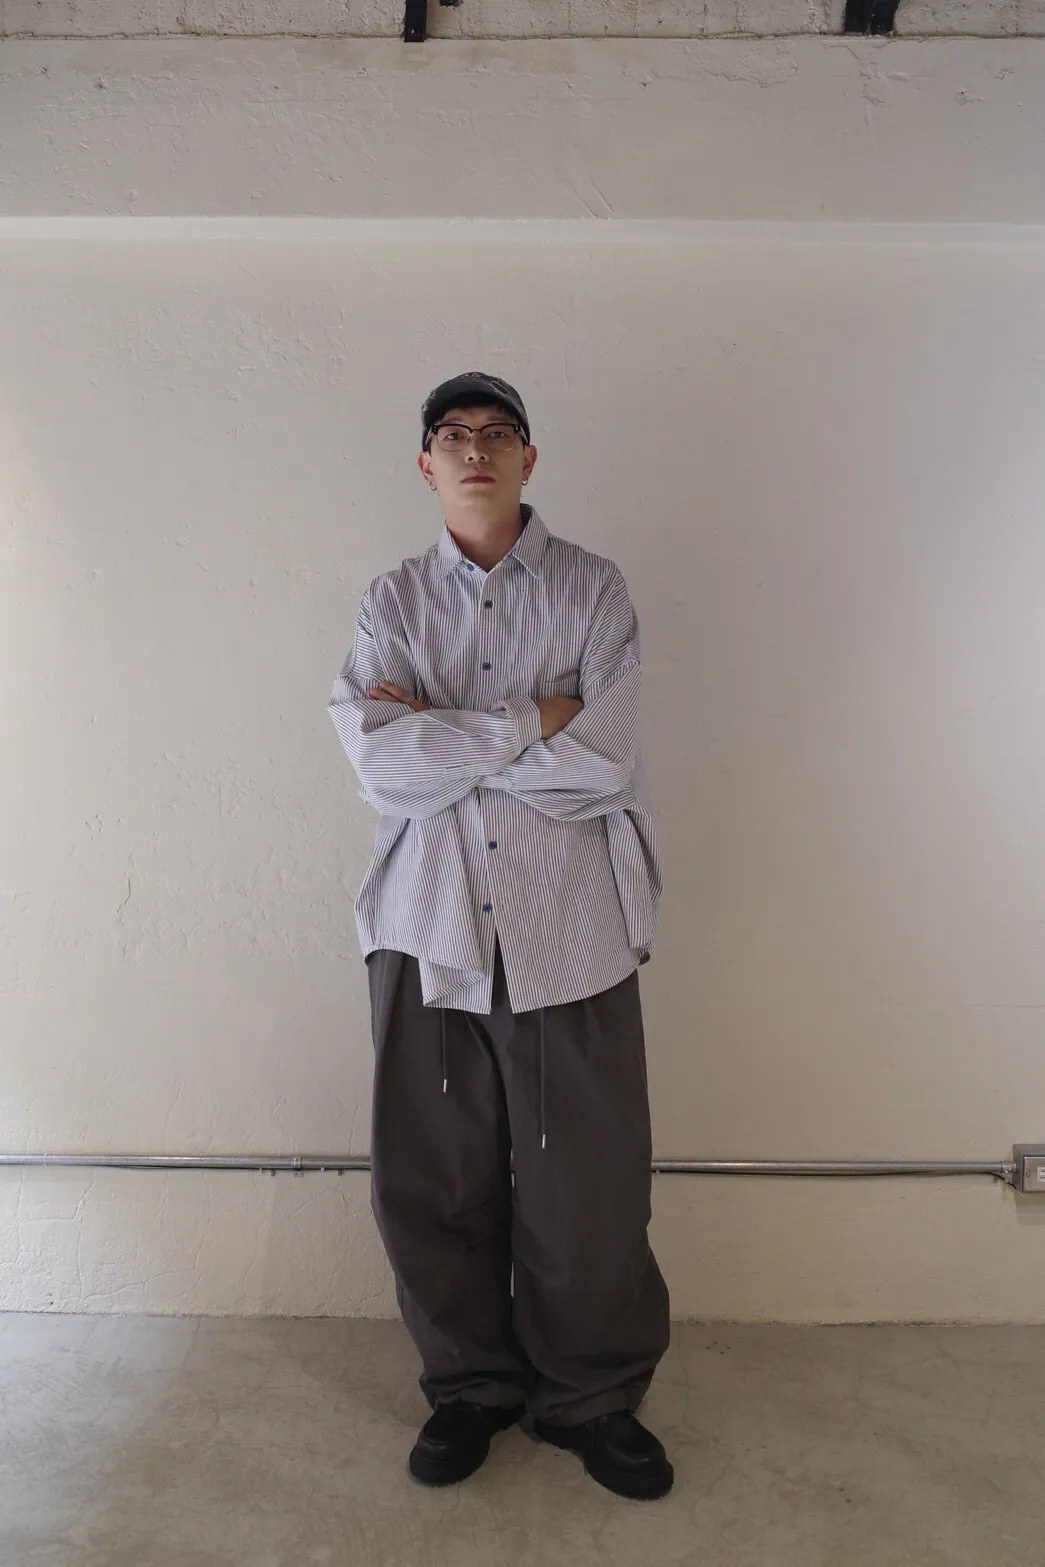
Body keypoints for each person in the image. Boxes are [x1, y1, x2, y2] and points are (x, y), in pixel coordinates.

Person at [328, 371, 672, 1501]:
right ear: (425, 464)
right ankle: (470, 1387)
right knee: (433, 1183)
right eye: (453, 433)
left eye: (497, 432)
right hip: (426, 926)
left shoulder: (592, 589)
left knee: (587, 1190)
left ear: (529, 457)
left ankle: (591, 1395)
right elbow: (380, 765)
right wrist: (532, 719)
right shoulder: (390, 600)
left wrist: (443, 734)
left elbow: (603, 761)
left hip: (570, 929)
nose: (475, 448)